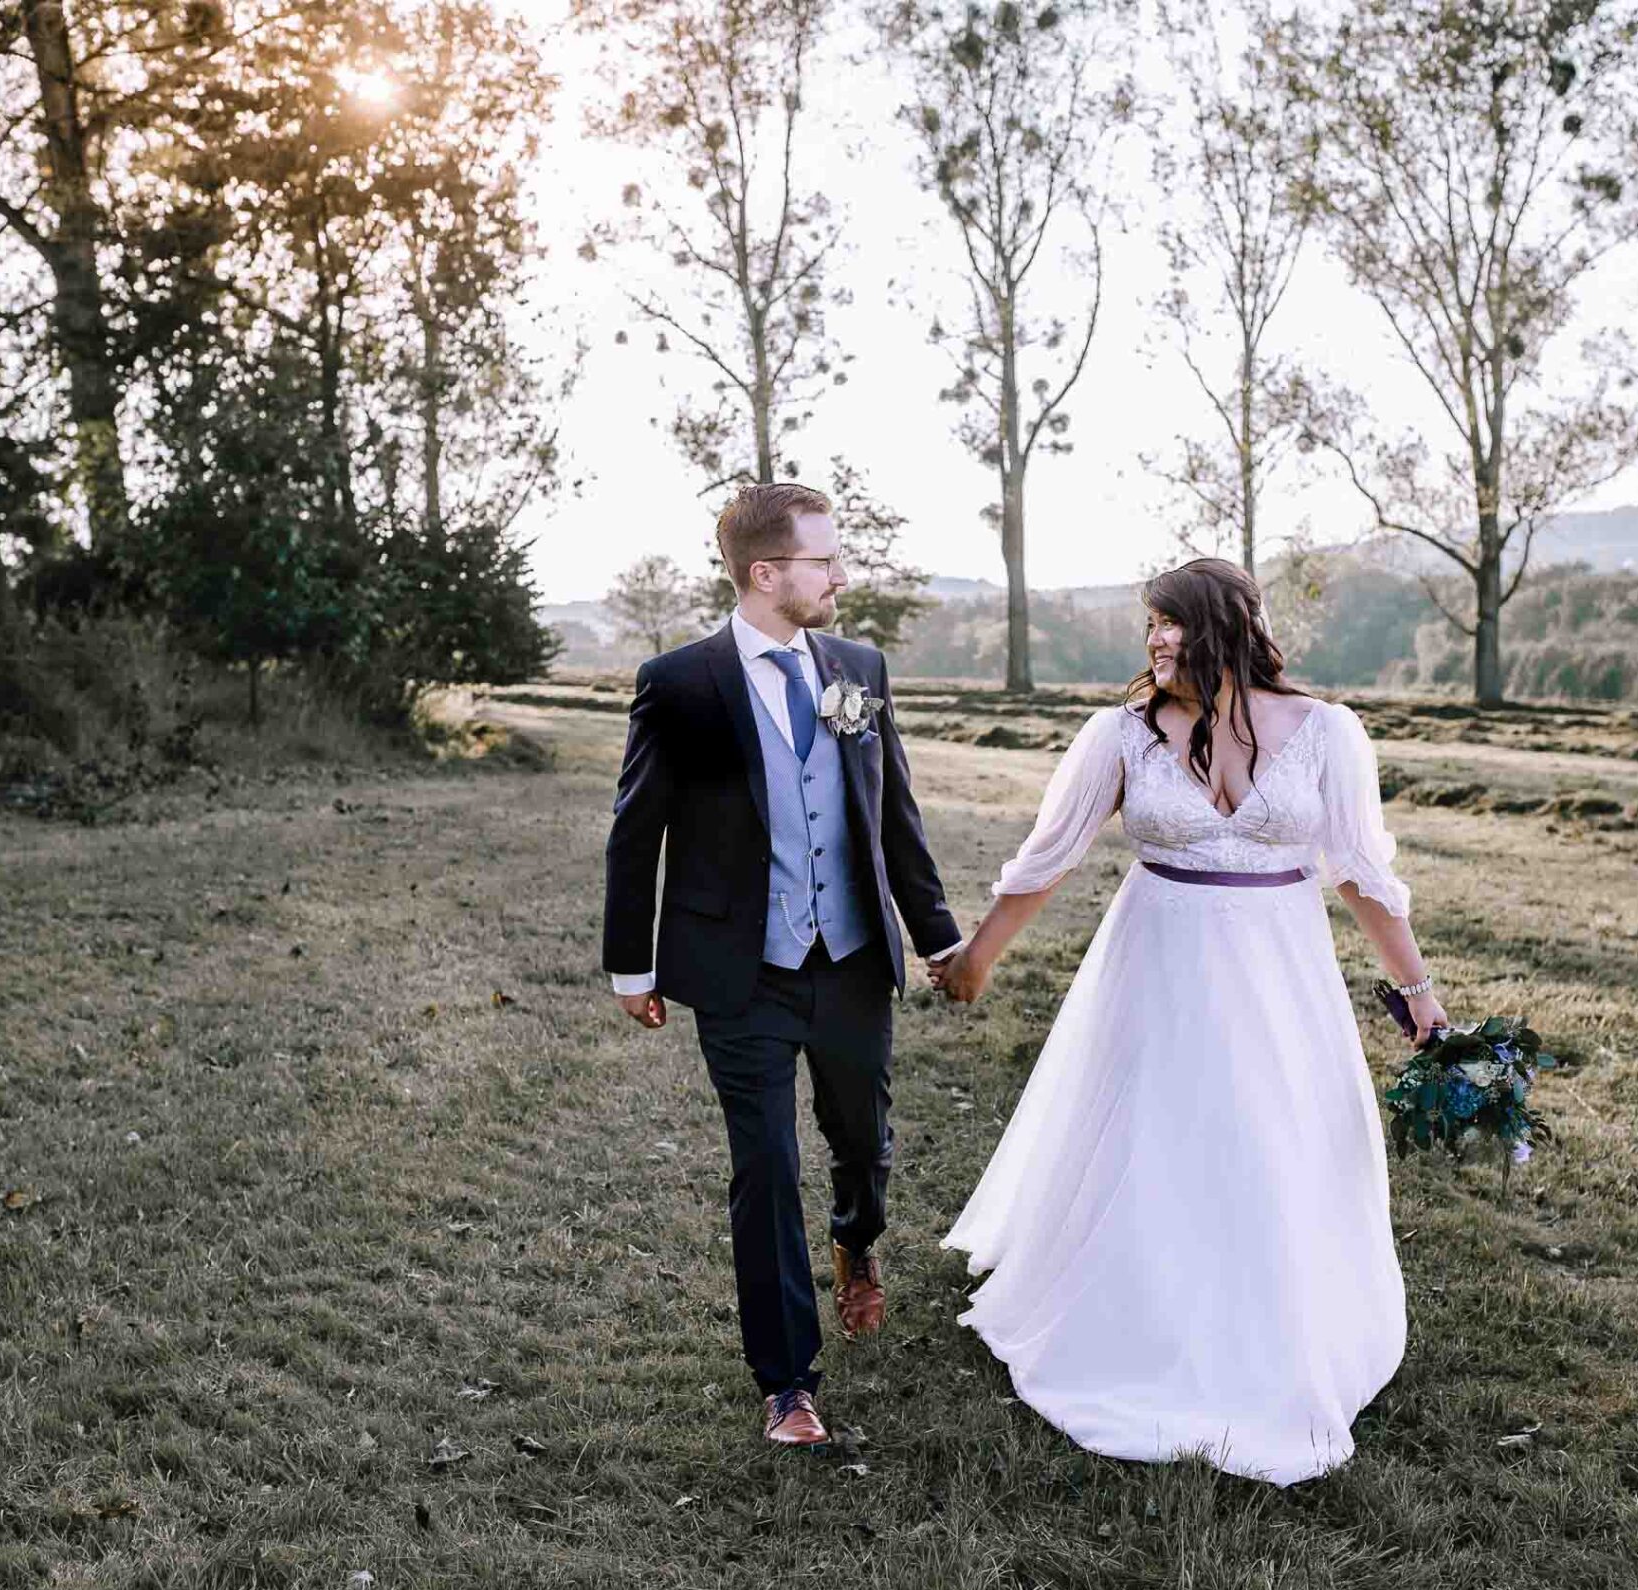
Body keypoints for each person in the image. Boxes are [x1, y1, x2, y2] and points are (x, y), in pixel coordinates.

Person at [929, 556, 1445, 1486]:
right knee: (1157, 1137)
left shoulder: (1328, 732)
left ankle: (1282, 1330)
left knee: (1273, 1140)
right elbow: (1047, 858)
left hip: (1281, 975)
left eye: (1172, 621)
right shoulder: (1121, 734)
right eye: (1151, 624)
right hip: (1156, 965)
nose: (1157, 639)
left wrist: (1417, 991)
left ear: (1228, 628)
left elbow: (1363, 875)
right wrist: (978, 956)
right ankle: (1140, 1319)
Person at [602, 482, 964, 1449]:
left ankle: (855, 1237)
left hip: (850, 959)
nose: (840, 576)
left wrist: (938, 936)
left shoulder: (858, 668)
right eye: (823, 560)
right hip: (740, 968)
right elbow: (637, 831)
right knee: (764, 1164)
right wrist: (631, 966)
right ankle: (788, 1383)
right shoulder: (680, 684)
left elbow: (894, 817)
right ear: (766, 574)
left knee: (863, 1141)